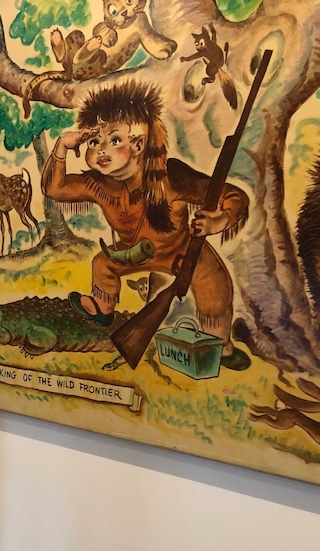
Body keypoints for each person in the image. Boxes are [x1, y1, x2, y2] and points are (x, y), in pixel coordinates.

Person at [41, 80, 250, 370]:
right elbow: (54, 188)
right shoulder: (97, 183)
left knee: (214, 285)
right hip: (130, 253)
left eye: (114, 140)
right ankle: (102, 308)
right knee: (103, 263)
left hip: (180, 251)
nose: (101, 149)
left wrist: (220, 219)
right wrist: (61, 148)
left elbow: (233, 195)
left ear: (139, 144)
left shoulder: (172, 176)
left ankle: (221, 346)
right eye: (93, 141)